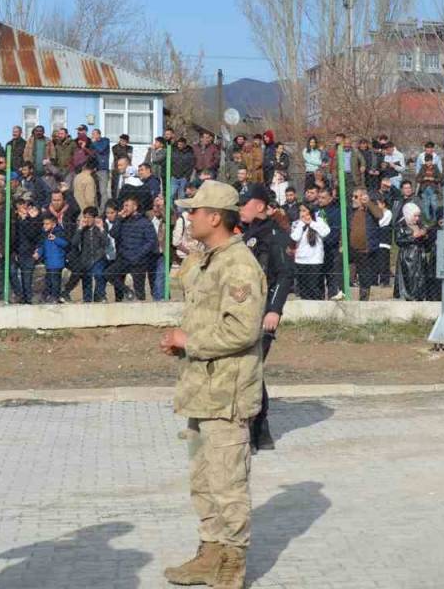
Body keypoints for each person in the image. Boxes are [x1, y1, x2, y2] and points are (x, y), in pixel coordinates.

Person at [159, 180, 264, 589]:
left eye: (195, 211)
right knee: (202, 482)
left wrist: (190, 341)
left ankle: (232, 565)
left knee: (227, 484)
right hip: (201, 391)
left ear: (215, 217)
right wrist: (182, 343)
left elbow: (242, 330)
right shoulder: (208, 259)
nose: (189, 217)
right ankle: (209, 554)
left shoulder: (238, 265)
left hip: (226, 395)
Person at [239, 184, 292, 451]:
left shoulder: (274, 235)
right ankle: (260, 431)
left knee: (250, 368)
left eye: (245, 203)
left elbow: (285, 274)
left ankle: (256, 429)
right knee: (248, 369)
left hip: (263, 313)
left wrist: (274, 309)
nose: (241, 208)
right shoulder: (246, 233)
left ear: (259, 205)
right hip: (245, 312)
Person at [290, 204, 331, 300]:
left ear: (310, 211)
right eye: (300, 211)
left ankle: (317, 306)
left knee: (314, 287)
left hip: (315, 260)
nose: (302, 213)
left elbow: (325, 232)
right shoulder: (297, 223)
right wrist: (302, 224)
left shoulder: (318, 220)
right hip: (301, 260)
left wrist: (311, 223)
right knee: (304, 288)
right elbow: (295, 237)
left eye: (304, 210)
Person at [36, 214, 68, 303]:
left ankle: (55, 297)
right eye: (44, 224)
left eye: (47, 224)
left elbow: (65, 244)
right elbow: (42, 246)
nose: (44, 226)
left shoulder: (59, 232)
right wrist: (38, 253)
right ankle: (47, 296)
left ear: (53, 224)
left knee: (55, 280)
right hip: (49, 261)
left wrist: (55, 239)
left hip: (57, 261)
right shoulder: (45, 235)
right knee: (48, 280)